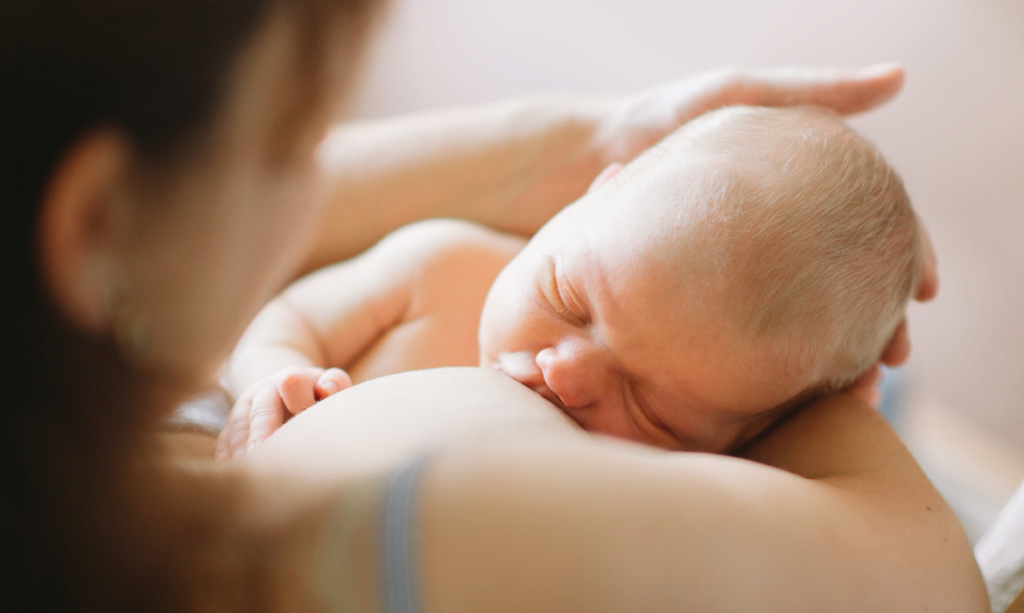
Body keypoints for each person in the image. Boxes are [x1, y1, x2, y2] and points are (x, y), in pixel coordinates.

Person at [0, 0, 988, 611]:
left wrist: (579, 154)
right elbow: (933, 582)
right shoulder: (425, 515)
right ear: (98, 225)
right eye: (298, 142)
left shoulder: (76, 440)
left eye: (657, 409)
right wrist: (828, 393)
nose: (564, 371)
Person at [218, 104, 921, 459]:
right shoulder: (442, 267)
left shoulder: (659, 485)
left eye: (653, 409)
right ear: (587, 196)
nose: (566, 373)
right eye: (568, 300)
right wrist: (276, 378)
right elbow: (286, 317)